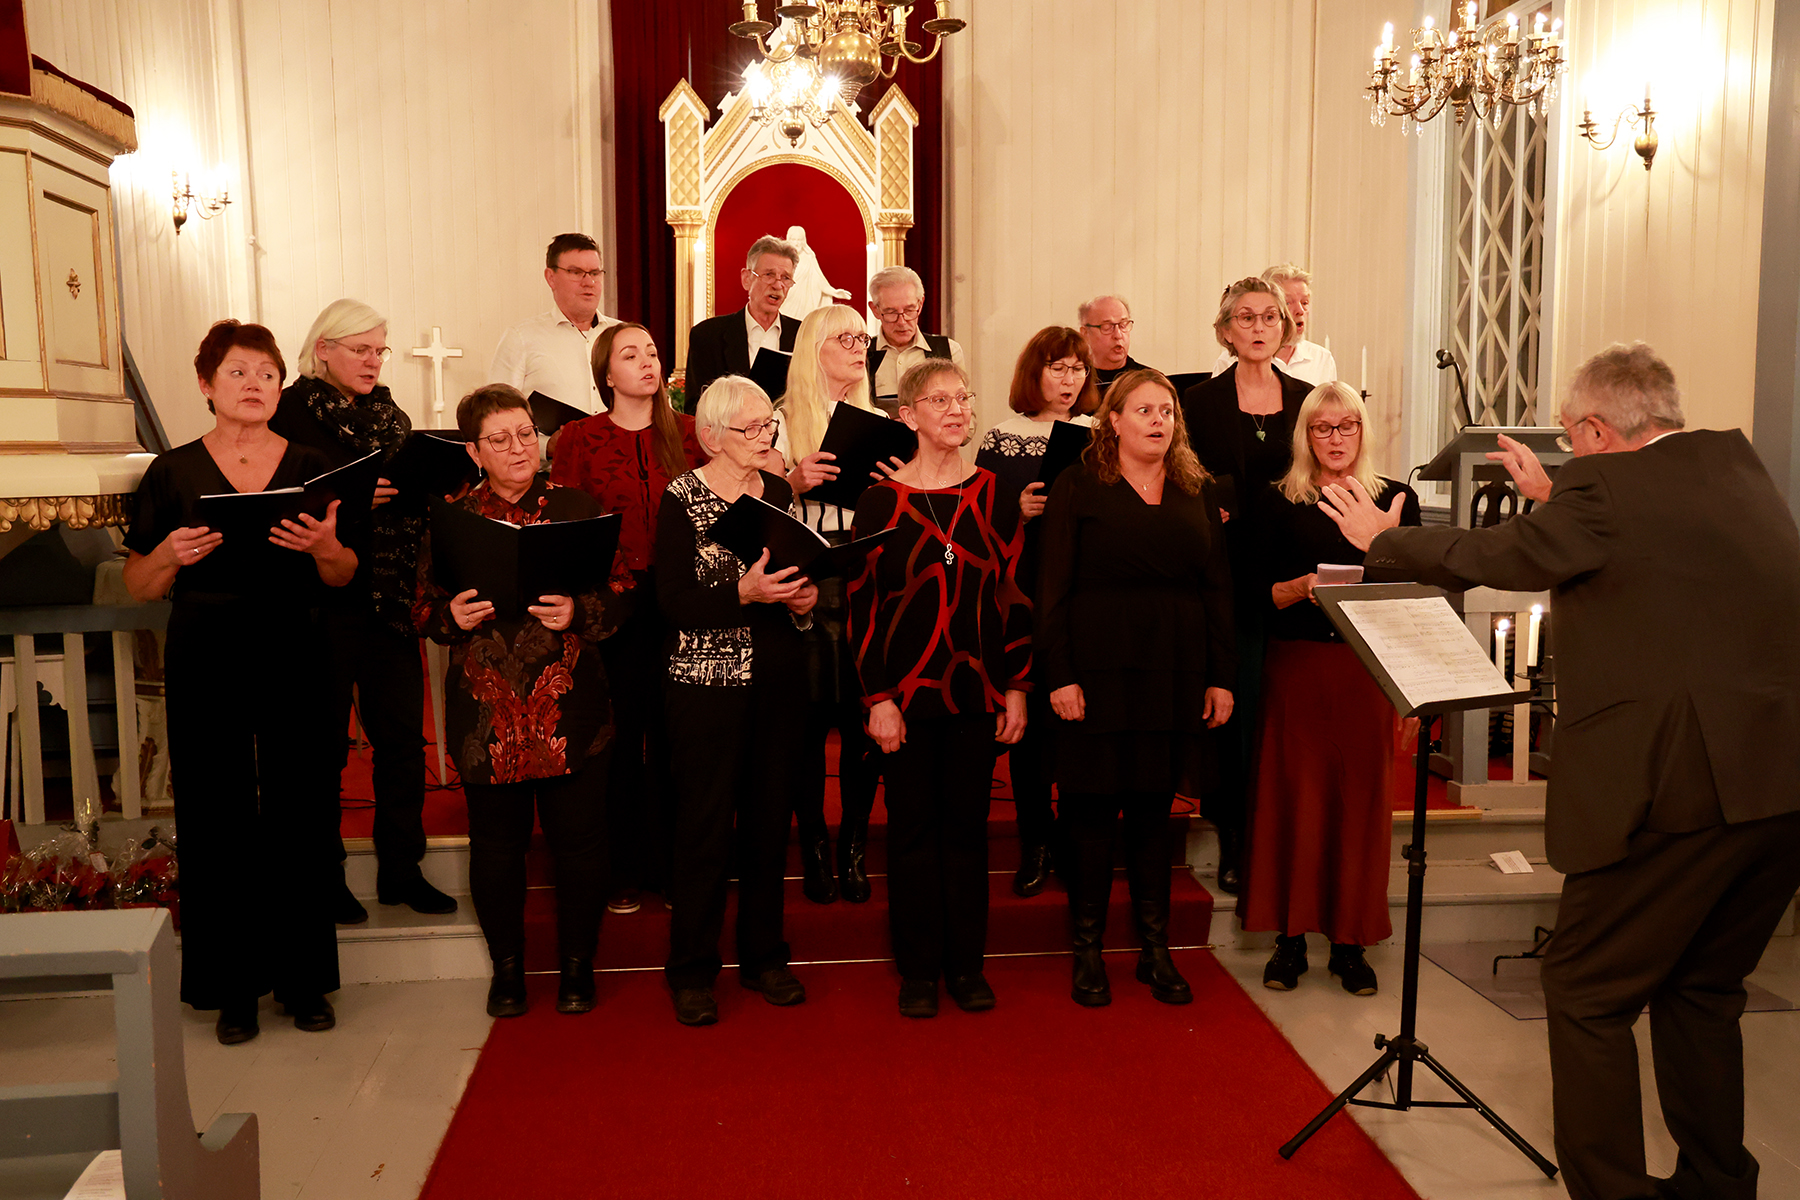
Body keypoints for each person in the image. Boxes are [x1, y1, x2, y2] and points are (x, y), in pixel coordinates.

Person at [1330, 342, 1800, 1200]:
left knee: (1584, 988)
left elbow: (1499, 560)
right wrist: (1559, 493)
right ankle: (1720, 1183)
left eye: (1572, 443)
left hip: (1673, 793)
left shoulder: (1606, 490)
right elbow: (1649, 543)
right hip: (1776, 789)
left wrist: (1385, 538)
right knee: (1702, 989)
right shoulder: (1732, 468)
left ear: (1591, 429)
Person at [122, 320, 357, 1044]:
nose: (255, 385)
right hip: (207, 647)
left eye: (266, 373)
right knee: (215, 811)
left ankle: (304, 981)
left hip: (296, 641)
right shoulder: (172, 472)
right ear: (205, 385)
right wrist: (167, 552)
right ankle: (232, 989)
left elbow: (345, 574)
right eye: (237, 373)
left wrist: (325, 547)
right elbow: (138, 585)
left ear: (280, 386)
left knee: (301, 807)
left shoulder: (315, 464)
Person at [415, 384, 622, 1019]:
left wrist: (579, 610)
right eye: (500, 439)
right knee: (496, 847)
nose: (517, 448)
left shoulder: (577, 507)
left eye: (526, 435)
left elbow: (618, 598)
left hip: (570, 709)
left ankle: (577, 967)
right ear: (474, 450)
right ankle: (507, 969)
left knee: (580, 845)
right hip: (487, 715)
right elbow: (418, 608)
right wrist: (448, 614)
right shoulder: (450, 518)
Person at [1037, 369, 1235, 1007]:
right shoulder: (1079, 485)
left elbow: (1217, 590)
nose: (1158, 420)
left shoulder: (1195, 487)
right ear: (1113, 420)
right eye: (1144, 410)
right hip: (1094, 670)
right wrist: (1060, 674)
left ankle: (1155, 951)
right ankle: (1088, 951)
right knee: (1091, 813)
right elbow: (1052, 589)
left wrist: (1220, 677)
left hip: (1174, 670)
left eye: (1168, 411)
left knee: (1153, 814)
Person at [848, 361, 1031, 1018]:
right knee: (912, 834)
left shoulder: (995, 494)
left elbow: (1013, 597)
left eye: (964, 398)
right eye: (939, 399)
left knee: (967, 833)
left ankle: (966, 967)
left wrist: (1016, 688)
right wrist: (879, 699)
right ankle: (919, 969)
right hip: (905, 696)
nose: (956, 409)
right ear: (908, 415)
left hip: (976, 693)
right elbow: (862, 610)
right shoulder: (878, 501)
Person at [271, 298, 456, 924]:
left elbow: (410, 490)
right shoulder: (289, 412)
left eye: (380, 349)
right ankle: (325, 879)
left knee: (403, 741)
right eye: (361, 349)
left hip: (390, 596)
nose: (375, 361)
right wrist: (352, 503)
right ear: (324, 349)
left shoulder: (390, 414)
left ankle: (402, 870)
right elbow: (280, 504)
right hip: (318, 602)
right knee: (322, 749)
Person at [1241, 381, 1420, 995]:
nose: (1336, 438)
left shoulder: (1395, 499)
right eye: (1323, 428)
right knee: (1295, 804)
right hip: (1297, 669)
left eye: (1347, 427)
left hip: (1367, 674)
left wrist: (1409, 695)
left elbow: (1409, 605)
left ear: (1363, 432)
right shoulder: (1276, 502)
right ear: (1306, 436)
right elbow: (1252, 596)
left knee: (1358, 809)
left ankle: (1349, 943)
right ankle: (1289, 940)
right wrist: (1297, 589)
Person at [656, 375, 818, 1027]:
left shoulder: (776, 491)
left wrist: (803, 602)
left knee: (768, 825)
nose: (766, 437)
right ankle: (693, 970)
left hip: (777, 683)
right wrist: (742, 597)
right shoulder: (683, 498)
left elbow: (791, 578)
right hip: (705, 688)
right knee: (703, 830)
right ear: (713, 435)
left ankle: (763, 957)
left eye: (768, 427)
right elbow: (671, 603)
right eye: (752, 429)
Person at [550, 323, 706, 916]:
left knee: (675, 736)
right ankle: (621, 866)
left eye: (653, 353)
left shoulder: (690, 435)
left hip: (681, 599)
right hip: (613, 603)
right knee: (620, 735)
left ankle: (670, 864)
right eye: (630, 354)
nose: (647, 362)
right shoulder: (580, 437)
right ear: (605, 374)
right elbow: (565, 523)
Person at [1179, 277, 1315, 894]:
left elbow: (1327, 466)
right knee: (1229, 701)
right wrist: (1209, 504)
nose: (1259, 327)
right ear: (1226, 330)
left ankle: (1277, 827)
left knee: (1278, 704)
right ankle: (1233, 833)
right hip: (1224, 565)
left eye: (1270, 317)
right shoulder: (1199, 403)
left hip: (1291, 564)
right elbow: (1179, 471)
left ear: (1285, 328)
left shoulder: (1309, 399)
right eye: (1246, 318)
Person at [973, 326, 1099, 897]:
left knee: (1079, 729)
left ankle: (1075, 838)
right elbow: (976, 527)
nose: (1069, 379)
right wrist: (1015, 512)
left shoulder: (1102, 432)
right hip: (1024, 596)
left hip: (1086, 594)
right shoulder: (1003, 438)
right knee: (1028, 730)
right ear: (1034, 374)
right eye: (1058, 368)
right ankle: (1035, 841)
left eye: (1077, 368)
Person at [774, 303, 888, 904]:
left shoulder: (876, 420)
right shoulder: (778, 420)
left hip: (863, 577)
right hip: (802, 582)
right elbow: (754, 512)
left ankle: (853, 848)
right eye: (844, 337)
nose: (858, 346)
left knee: (862, 721)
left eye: (861, 338)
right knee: (807, 728)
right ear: (813, 346)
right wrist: (792, 482)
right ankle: (816, 845)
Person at [490, 232, 620, 413]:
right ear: (551, 277)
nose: (589, 282)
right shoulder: (520, 338)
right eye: (576, 273)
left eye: (594, 273)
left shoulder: (622, 335)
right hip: (549, 441)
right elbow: (497, 413)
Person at [683, 235, 804, 405]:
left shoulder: (803, 334)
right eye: (769, 274)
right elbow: (697, 406)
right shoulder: (707, 335)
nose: (778, 285)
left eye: (786, 278)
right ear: (746, 279)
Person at [1210, 264, 1339, 385]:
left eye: (1304, 303)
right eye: (1288, 303)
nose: (1300, 311)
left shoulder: (1322, 358)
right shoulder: (1229, 362)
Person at [866, 265, 964, 415]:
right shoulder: (862, 354)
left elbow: (964, 414)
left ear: (920, 304)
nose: (902, 321)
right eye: (891, 312)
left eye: (909, 310)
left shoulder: (948, 350)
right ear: (875, 310)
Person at [1078, 295, 1155, 394]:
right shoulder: (1074, 381)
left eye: (1123, 325)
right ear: (1085, 333)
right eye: (1107, 327)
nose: (1118, 335)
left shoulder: (1149, 382)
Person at [779, 224, 852, 319]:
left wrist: (834, 292)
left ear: (804, 241)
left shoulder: (809, 258)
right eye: (794, 239)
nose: (797, 243)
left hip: (805, 303)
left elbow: (819, 281)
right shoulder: (781, 259)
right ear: (788, 240)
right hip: (787, 300)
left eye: (799, 240)